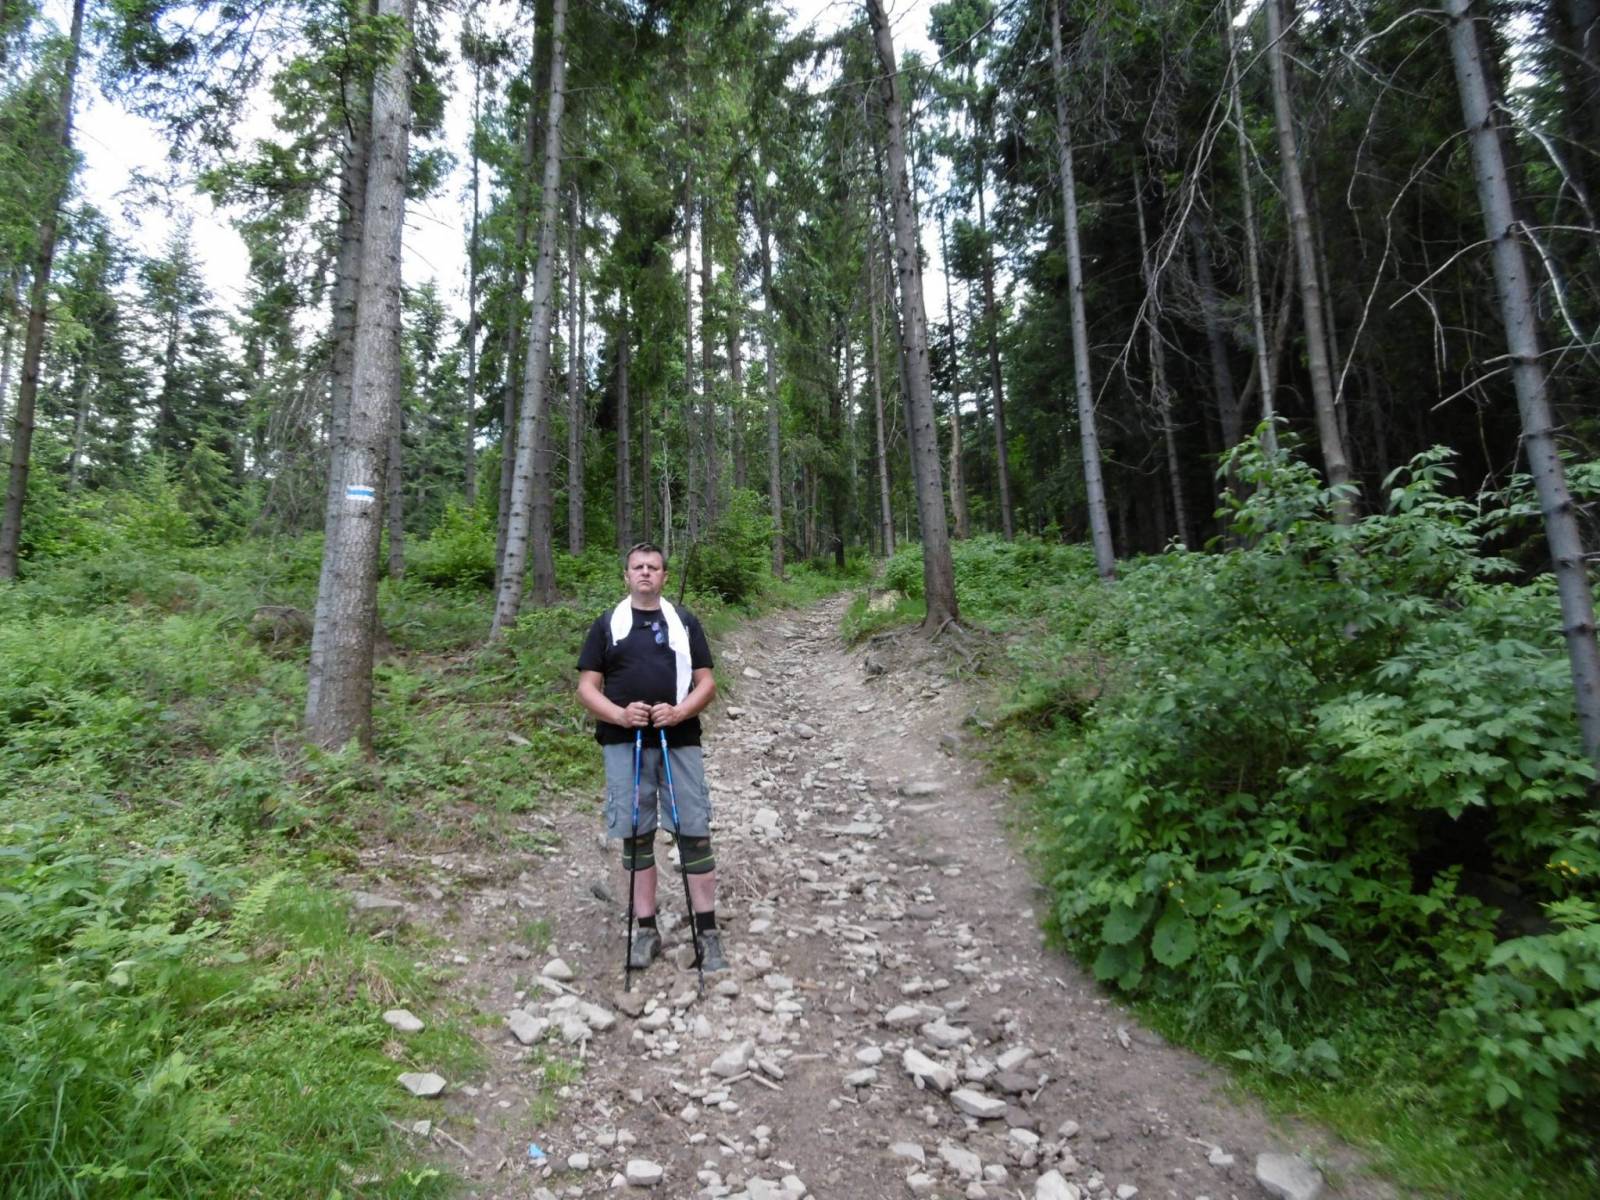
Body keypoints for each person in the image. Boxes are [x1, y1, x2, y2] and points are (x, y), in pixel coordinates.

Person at [576, 542, 727, 972]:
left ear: (664, 576)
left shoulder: (684, 622)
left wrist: (680, 712)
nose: (645, 572)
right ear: (626, 575)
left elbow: (706, 683)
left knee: (693, 831)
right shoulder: (608, 624)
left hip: (679, 738)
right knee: (635, 834)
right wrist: (620, 715)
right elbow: (587, 688)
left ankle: (707, 932)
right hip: (624, 742)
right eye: (638, 567)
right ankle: (646, 930)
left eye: (653, 567)